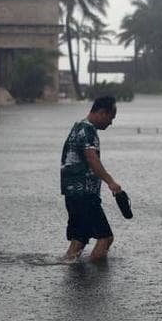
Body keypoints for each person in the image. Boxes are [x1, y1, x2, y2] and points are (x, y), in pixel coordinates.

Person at [60, 96, 122, 262]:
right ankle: (96, 283)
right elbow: (92, 159)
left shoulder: (77, 127)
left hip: (72, 194)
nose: (111, 123)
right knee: (105, 238)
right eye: (111, 118)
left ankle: (73, 275)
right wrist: (111, 182)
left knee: (79, 239)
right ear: (102, 113)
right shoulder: (87, 131)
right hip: (84, 194)